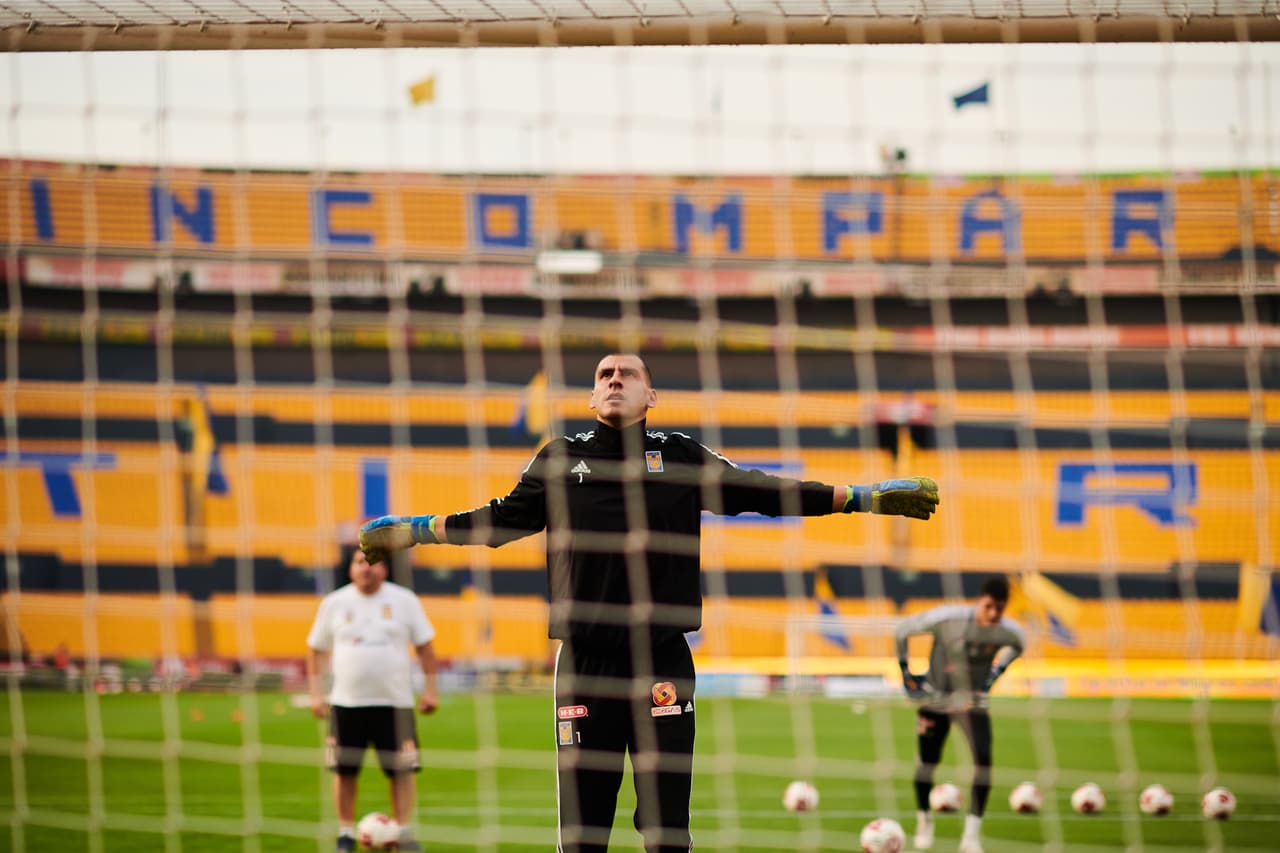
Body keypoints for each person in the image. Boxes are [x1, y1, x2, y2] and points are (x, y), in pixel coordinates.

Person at [360, 353, 940, 852]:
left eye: (628, 373)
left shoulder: (681, 455)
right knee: (583, 829)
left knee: (667, 827)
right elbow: (497, 522)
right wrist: (415, 530)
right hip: (586, 663)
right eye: (605, 373)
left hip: (662, 659)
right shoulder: (558, 458)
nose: (615, 379)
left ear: (650, 394)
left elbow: (764, 491)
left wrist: (863, 497)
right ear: (592, 395)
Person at [307, 546, 440, 852]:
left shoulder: (405, 601)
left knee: (402, 770)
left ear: (385, 568)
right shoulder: (334, 603)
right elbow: (315, 650)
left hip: (396, 704)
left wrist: (430, 689)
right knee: (344, 770)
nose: (366, 567)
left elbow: (425, 648)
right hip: (345, 703)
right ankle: (345, 832)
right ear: (351, 568)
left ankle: (403, 832)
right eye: (359, 561)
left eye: (373, 561)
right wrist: (316, 693)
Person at [893, 575, 1025, 853]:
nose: (993, 614)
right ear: (980, 600)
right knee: (927, 764)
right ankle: (924, 819)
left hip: (972, 704)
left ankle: (971, 836)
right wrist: (907, 674)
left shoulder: (1008, 632)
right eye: (988, 606)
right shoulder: (946, 619)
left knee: (984, 762)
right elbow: (902, 630)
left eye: (999, 609)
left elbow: (1018, 648)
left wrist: (994, 675)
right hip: (936, 700)